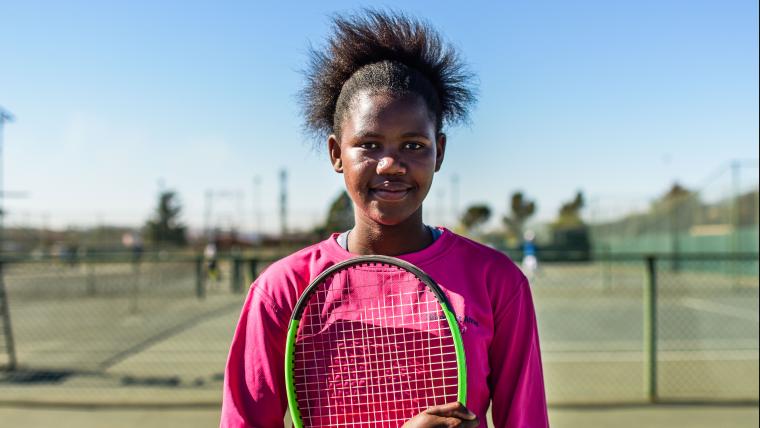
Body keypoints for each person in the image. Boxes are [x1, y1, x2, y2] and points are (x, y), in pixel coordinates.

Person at [220, 10, 548, 428]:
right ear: (337, 154)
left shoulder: (497, 282)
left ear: (440, 152)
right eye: (370, 144)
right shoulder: (281, 291)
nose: (391, 163)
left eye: (413, 145)